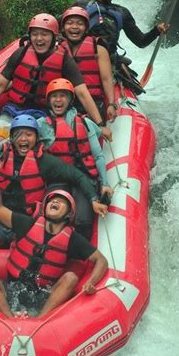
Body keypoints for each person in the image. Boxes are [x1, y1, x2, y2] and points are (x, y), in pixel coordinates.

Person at [0, 114, 108, 250]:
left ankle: (17, 244)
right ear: (12, 139)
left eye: (29, 134)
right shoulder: (3, 156)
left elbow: (76, 176)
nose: (23, 139)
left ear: (36, 138)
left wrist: (93, 199)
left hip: (27, 224)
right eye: (18, 135)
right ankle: (5, 244)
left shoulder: (45, 161)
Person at [0, 161, 109, 318]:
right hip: (13, 289)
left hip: (43, 296)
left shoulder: (73, 239)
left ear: (69, 214)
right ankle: (10, 319)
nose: (54, 202)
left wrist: (91, 281)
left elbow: (101, 260)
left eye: (60, 202)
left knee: (71, 278)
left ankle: (40, 320)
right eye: (51, 200)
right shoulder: (27, 224)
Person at [0, 13, 111, 150]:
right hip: (13, 109)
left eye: (44, 34)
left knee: (34, 149)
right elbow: (0, 85)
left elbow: (82, 92)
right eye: (35, 34)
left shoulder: (64, 60)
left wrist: (100, 124)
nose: (39, 39)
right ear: (29, 36)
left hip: (44, 114)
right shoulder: (20, 53)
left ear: (54, 37)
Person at [37, 78, 113, 238]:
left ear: (70, 99)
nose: (58, 100)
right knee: (52, 216)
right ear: (49, 101)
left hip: (84, 179)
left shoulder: (85, 123)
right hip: (58, 180)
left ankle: (79, 255)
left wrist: (105, 183)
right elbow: (19, 137)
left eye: (63, 95)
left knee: (83, 221)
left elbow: (98, 156)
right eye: (54, 96)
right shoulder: (42, 125)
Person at [76, 0, 168, 92]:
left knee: (133, 86)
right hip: (81, 58)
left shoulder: (122, 13)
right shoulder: (82, 6)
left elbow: (141, 42)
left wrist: (156, 31)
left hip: (109, 61)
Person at [60, 5, 117, 121]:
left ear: (86, 29)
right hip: (64, 102)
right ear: (63, 28)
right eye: (70, 23)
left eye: (80, 24)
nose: (74, 27)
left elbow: (106, 79)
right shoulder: (58, 49)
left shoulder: (99, 49)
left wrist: (111, 104)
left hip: (93, 101)